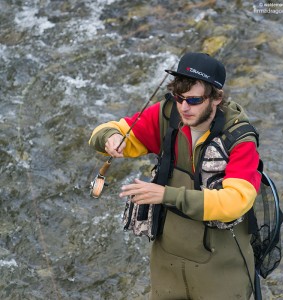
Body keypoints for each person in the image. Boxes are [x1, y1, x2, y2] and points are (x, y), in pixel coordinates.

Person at [89, 52, 261, 299]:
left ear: (216, 98)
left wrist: (165, 195)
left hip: (221, 268)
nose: (184, 107)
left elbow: (235, 203)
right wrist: (111, 138)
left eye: (193, 100)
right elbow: (104, 131)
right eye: (179, 98)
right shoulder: (167, 115)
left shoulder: (240, 139)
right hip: (166, 262)